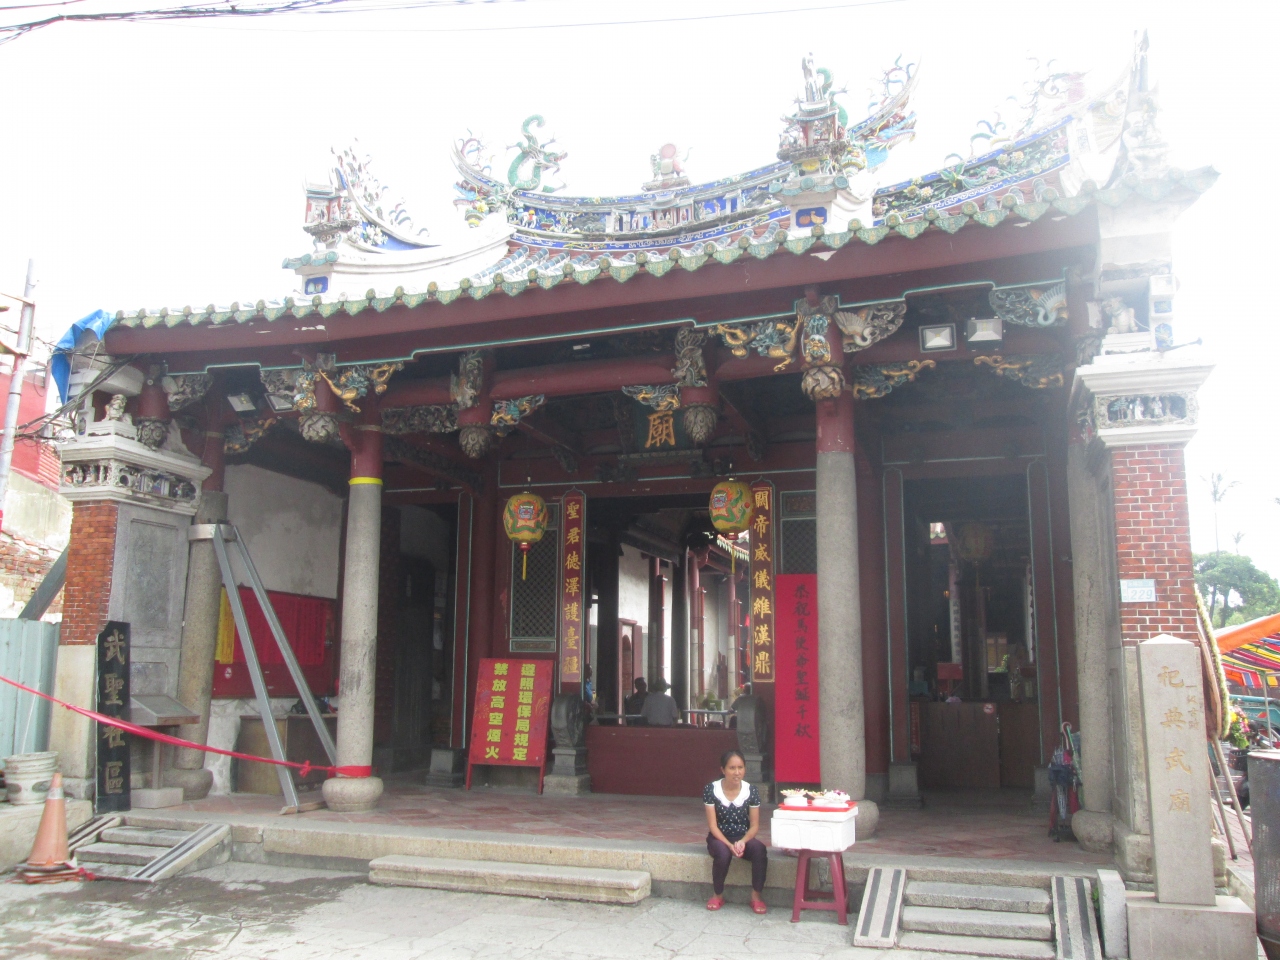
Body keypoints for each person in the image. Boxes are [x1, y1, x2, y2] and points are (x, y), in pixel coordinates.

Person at [703, 749, 767, 913]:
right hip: (719, 838)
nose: (737, 772)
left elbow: (754, 826)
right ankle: (717, 895)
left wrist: (742, 842)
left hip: (742, 837)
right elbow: (713, 826)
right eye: (732, 768)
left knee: (759, 850)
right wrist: (728, 844)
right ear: (723, 770)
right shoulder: (711, 789)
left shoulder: (751, 791)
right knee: (723, 853)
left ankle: (756, 896)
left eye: (740, 767)